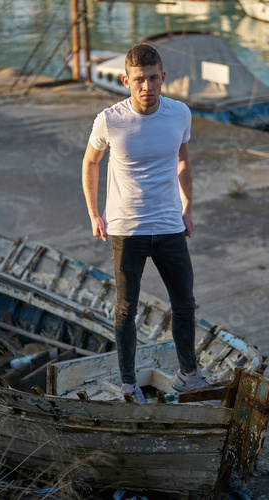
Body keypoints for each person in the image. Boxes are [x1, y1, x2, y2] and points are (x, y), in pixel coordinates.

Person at [82, 43, 208, 402]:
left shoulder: (180, 114)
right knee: (126, 309)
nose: (147, 87)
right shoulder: (109, 120)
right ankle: (128, 384)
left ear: (163, 77)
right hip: (127, 229)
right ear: (126, 80)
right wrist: (94, 212)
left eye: (153, 79)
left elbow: (183, 160)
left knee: (184, 303)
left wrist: (187, 207)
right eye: (139, 80)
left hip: (169, 225)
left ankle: (188, 373)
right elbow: (90, 162)